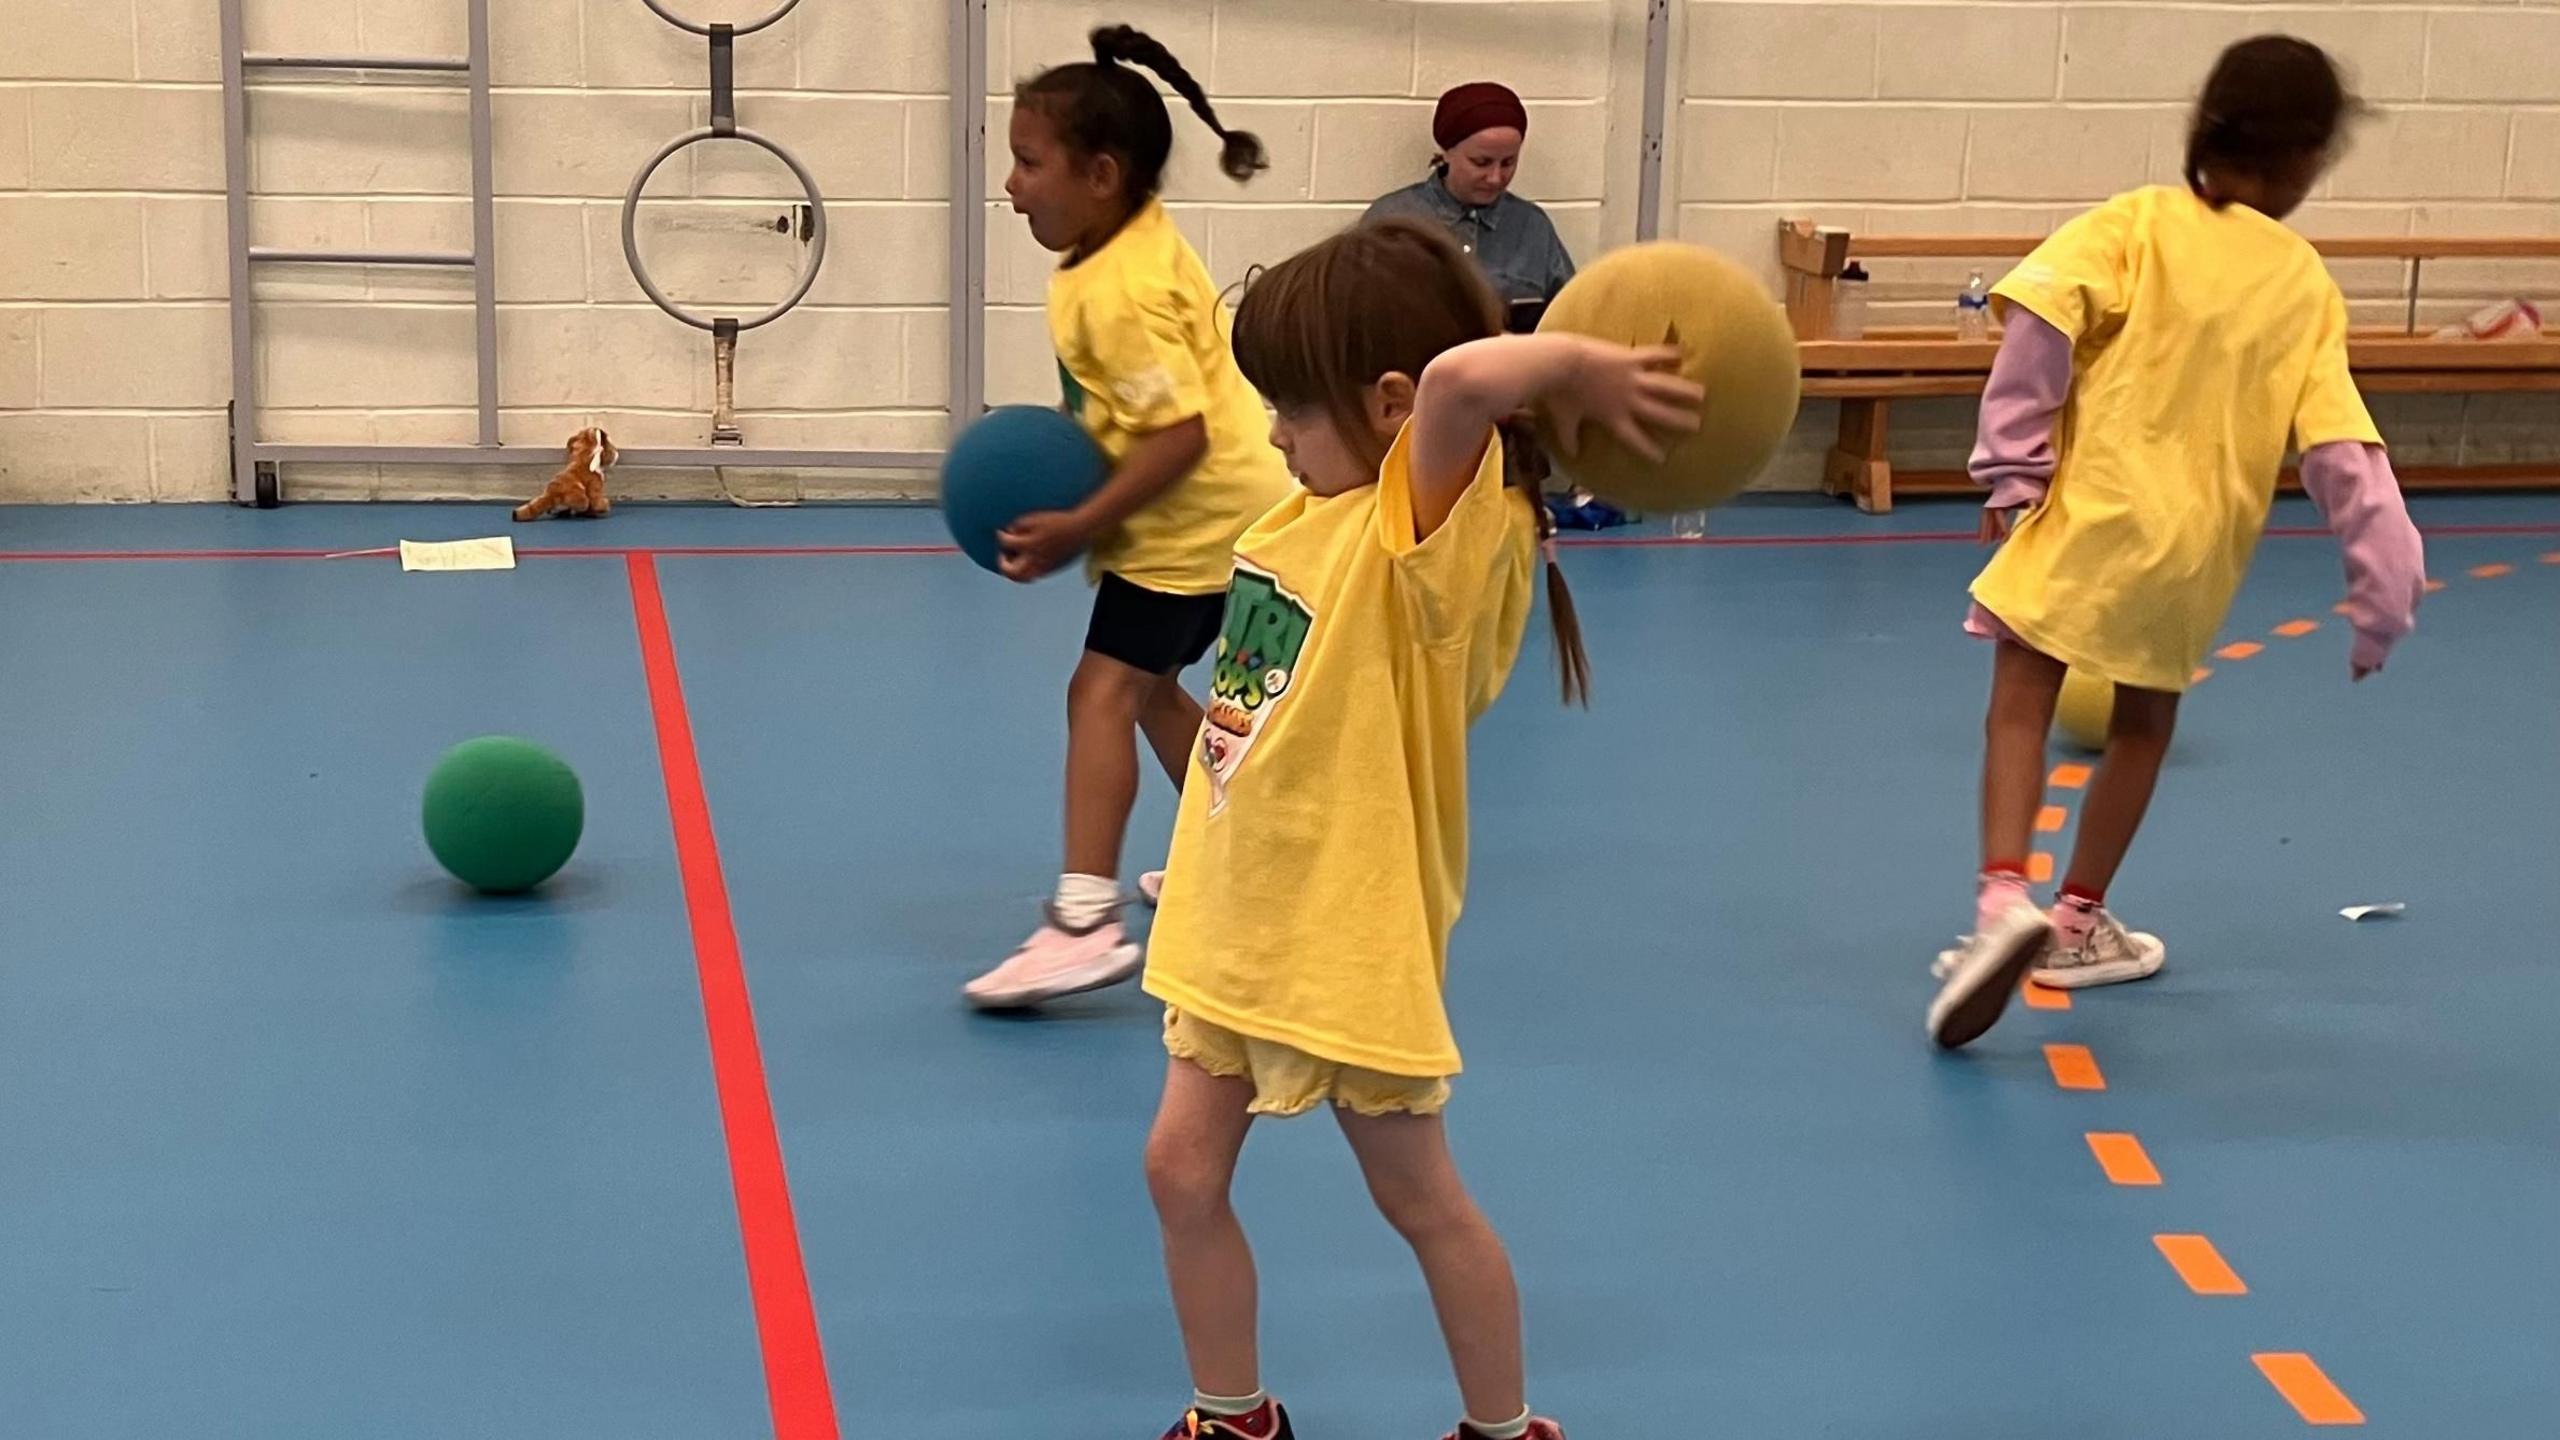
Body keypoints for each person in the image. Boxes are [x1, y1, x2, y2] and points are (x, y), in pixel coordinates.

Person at [1135, 219, 1699, 1440]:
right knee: (1179, 1171)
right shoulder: (1305, 522)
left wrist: (1567, 365)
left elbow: (1459, 381)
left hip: (1348, 931)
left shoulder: (1430, 534)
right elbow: (1262, 736)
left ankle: (1503, 1430)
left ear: (1387, 404)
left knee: (1418, 1200)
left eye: (1291, 407)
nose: (1275, 434)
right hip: (1240, 917)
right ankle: (1232, 1416)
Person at [1926, 35, 2428, 1050]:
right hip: (2192, 555)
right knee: (2141, 726)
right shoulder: (2301, 284)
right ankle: (2075, 922)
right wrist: (2384, 596)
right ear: (2306, 161)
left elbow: (2036, 314)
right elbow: (2345, 454)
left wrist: (2011, 465)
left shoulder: (2136, 224)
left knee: (2021, 698)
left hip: (2090, 515)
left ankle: (1998, 905)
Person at [963, 26, 1294, 1010]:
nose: (1013, 184)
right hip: (1223, 514)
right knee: (1150, 693)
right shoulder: (1134, 237)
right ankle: (1240, 865)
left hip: (1191, 525)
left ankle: (1082, 921)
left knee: (1098, 696)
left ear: (1100, 174)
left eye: (1029, 163)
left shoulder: (1117, 291)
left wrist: (1078, 524)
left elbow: (1177, 435)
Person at [1362, 82, 1576, 324]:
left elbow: (1570, 318)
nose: (1496, 178)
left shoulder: (1532, 227)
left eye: (1508, 163)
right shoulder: (1391, 220)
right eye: (1481, 162)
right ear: (1446, 152)